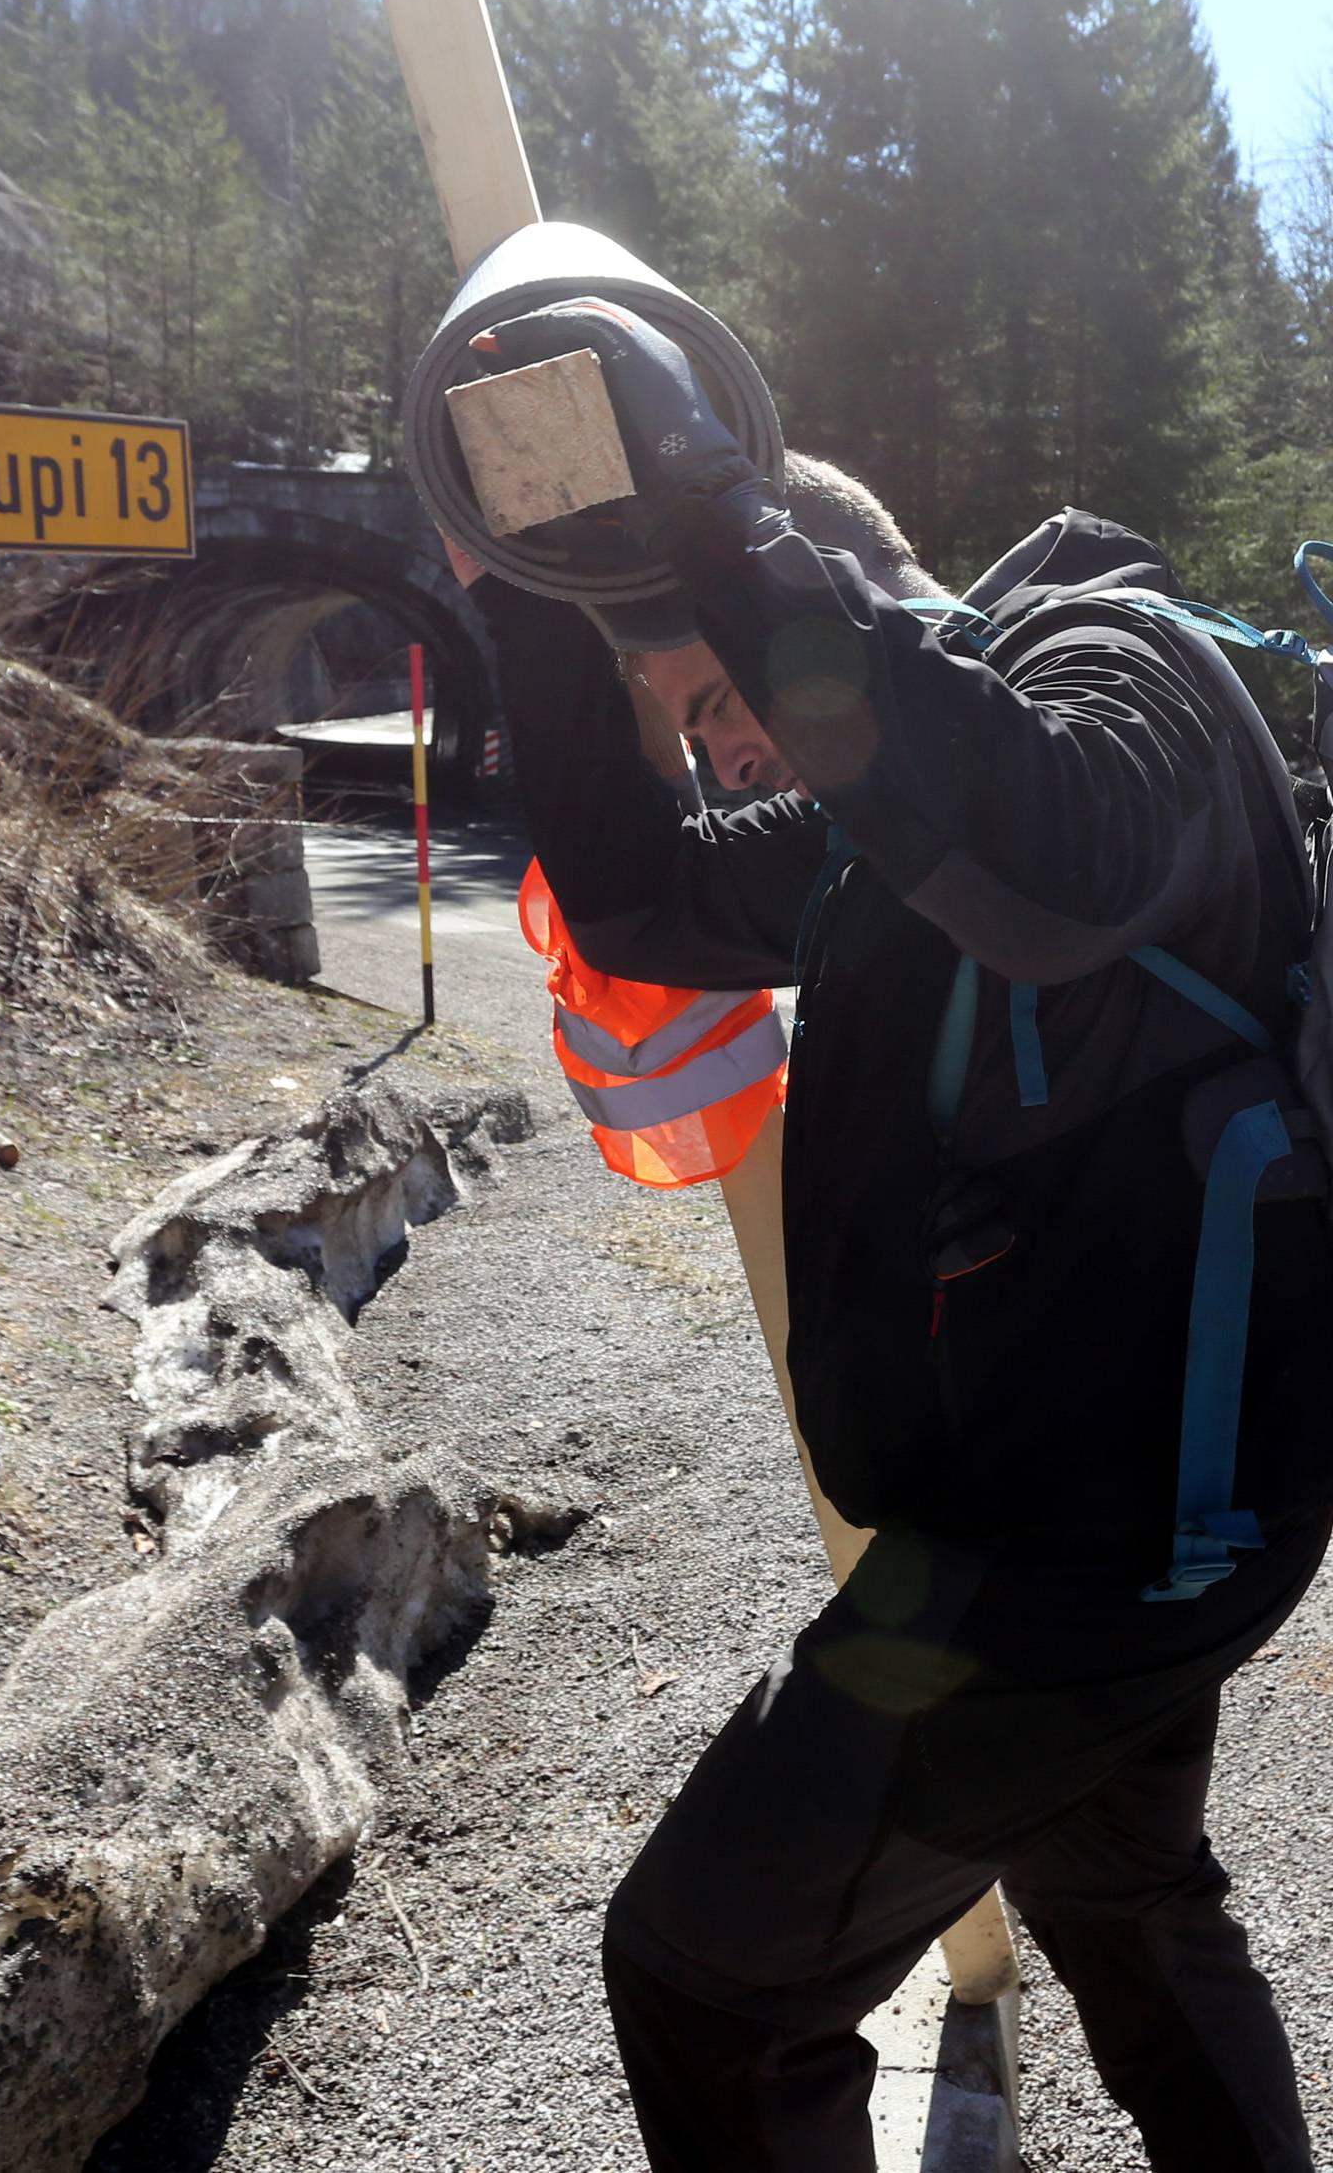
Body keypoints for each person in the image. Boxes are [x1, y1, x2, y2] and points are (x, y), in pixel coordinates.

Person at [452, 300, 1333, 2173]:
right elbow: (635, 903)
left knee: (711, 1976)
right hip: (1101, 1522)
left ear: (809, 587)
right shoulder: (872, 815)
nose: (731, 761)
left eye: (714, 708)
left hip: (1100, 1550)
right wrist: (529, 585)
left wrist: (707, 516)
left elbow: (1059, 866)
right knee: (1129, 1900)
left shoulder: (1122, 669)